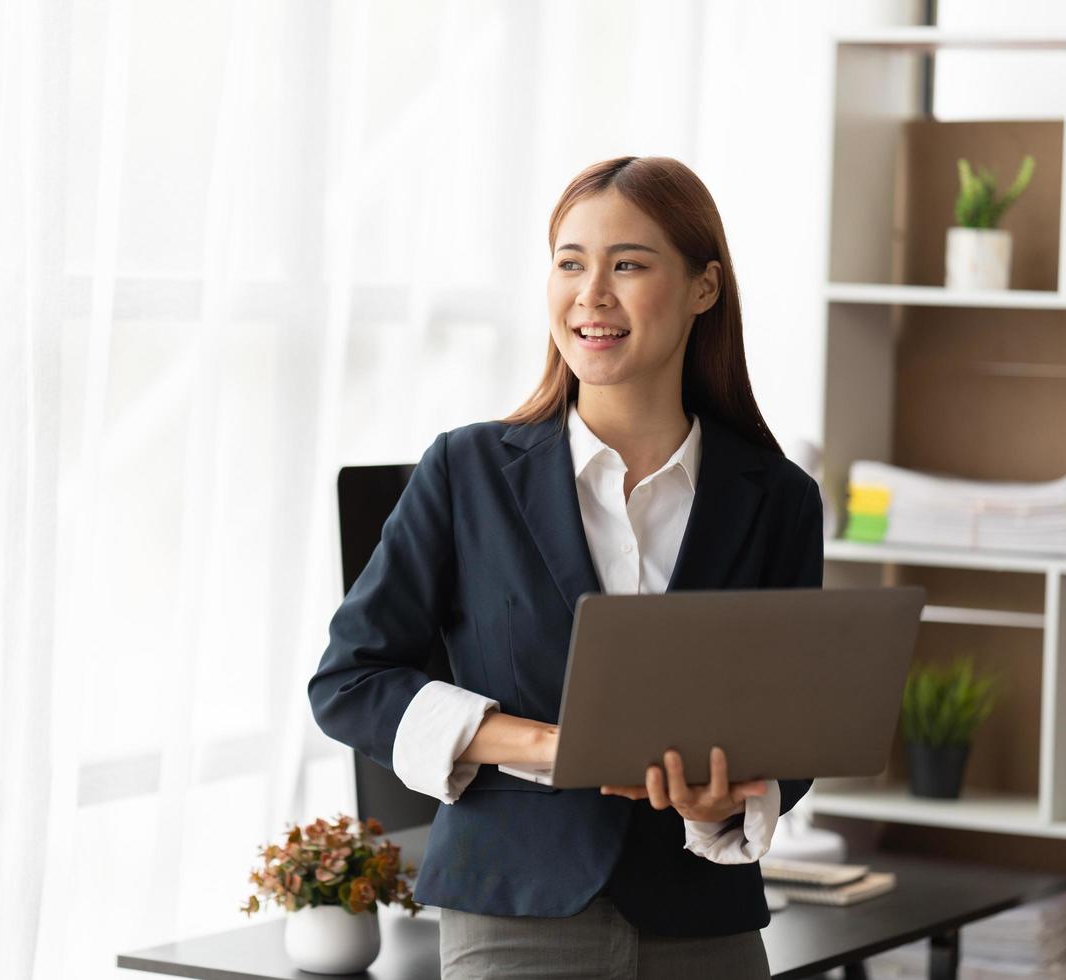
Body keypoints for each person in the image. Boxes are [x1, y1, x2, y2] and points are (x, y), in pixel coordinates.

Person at [307, 155, 823, 979]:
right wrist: (551, 745)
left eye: (628, 264)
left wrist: (734, 797)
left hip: (703, 918)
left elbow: (791, 730)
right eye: (570, 263)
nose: (592, 293)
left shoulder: (778, 498)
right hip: (513, 910)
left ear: (704, 288)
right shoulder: (465, 471)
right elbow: (350, 681)